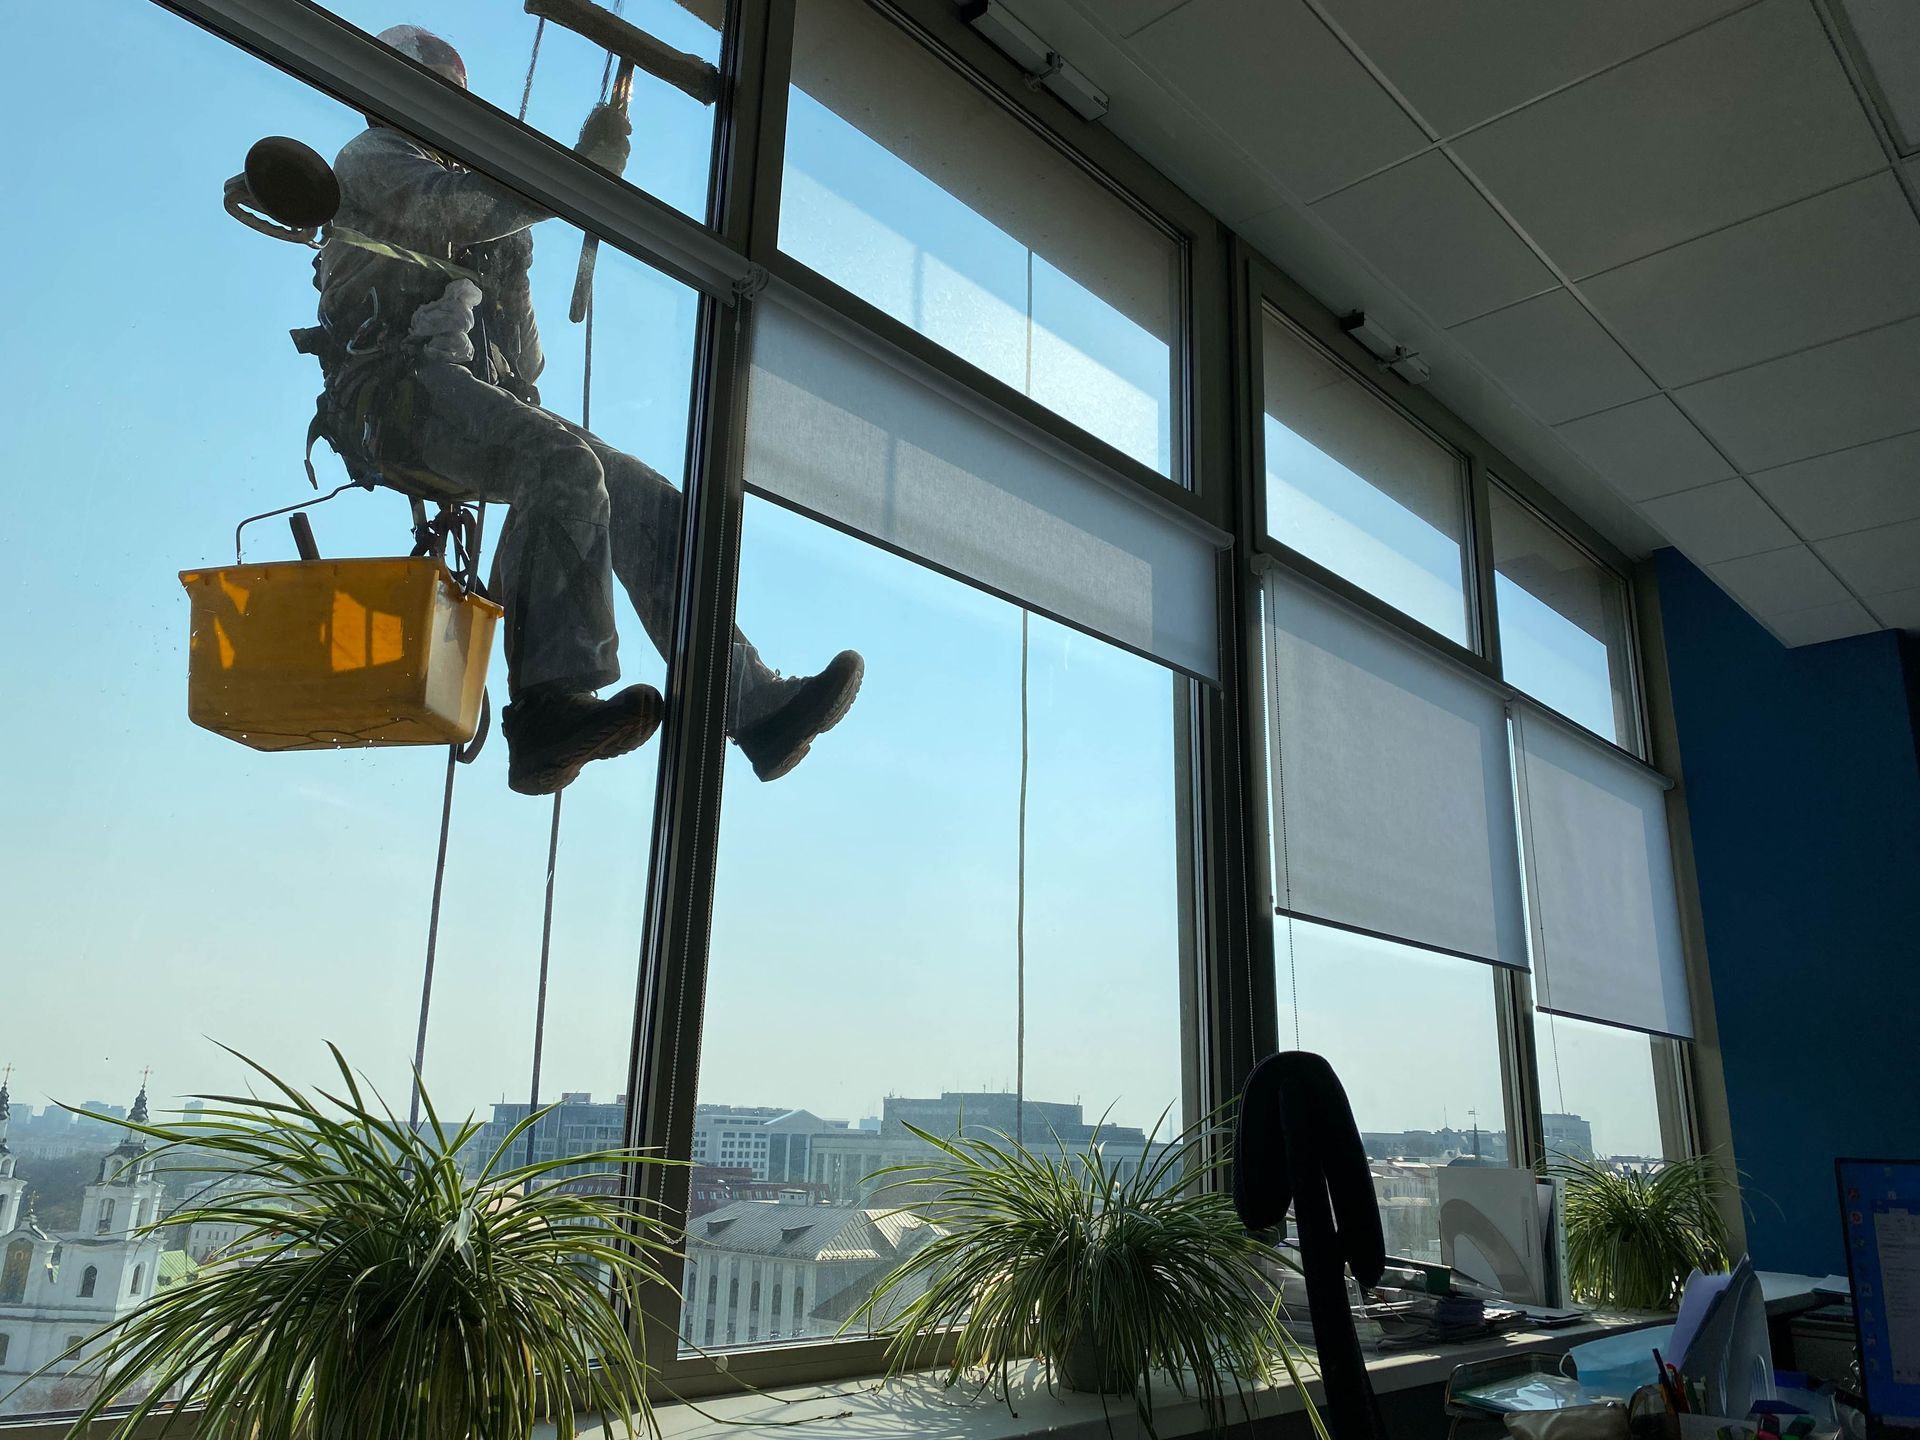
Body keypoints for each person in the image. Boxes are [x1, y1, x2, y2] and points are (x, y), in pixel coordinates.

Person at [300, 24, 862, 795]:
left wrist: (516, 259)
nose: (443, 112)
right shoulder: (372, 161)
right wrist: (569, 177)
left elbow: (525, 363)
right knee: (559, 465)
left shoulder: (464, 201)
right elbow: (455, 211)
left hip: (462, 396)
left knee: (644, 500)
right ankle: (546, 712)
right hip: (396, 397)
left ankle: (753, 704)